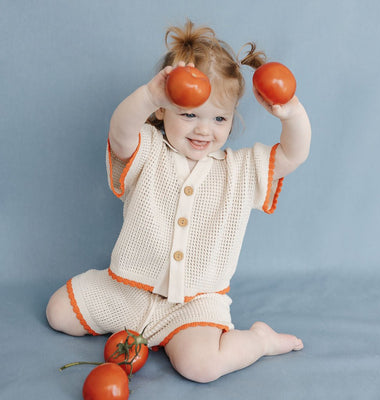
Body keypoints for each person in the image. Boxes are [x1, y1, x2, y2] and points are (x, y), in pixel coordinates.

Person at [46, 20, 311, 383]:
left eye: (219, 118)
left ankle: (259, 341)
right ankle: (131, 325)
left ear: (232, 119)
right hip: (127, 289)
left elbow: (293, 155)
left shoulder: (240, 170)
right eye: (189, 114)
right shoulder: (149, 150)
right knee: (57, 312)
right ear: (162, 111)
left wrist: (292, 111)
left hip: (191, 307)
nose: (204, 129)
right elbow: (120, 132)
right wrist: (149, 95)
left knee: (201, 367)